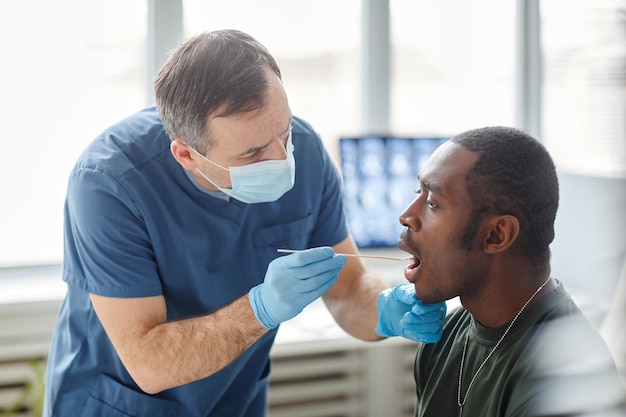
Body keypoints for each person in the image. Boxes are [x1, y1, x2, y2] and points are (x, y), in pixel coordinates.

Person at [43, 29, 446, 417]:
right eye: (253, 154)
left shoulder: (305, 153)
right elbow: (148, 363)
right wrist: (261, 308)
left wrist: (384, 309)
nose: (281, 159)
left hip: (233, 399)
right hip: (119, 403)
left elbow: (348, 289)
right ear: (186, 154)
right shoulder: (110, 183)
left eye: (283, 132)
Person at [396, 126, 626, 416]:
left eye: (432, 203)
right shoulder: (442, 339)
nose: (406, 216)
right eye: (419, 192)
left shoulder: (567, 383)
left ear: (496, 235)